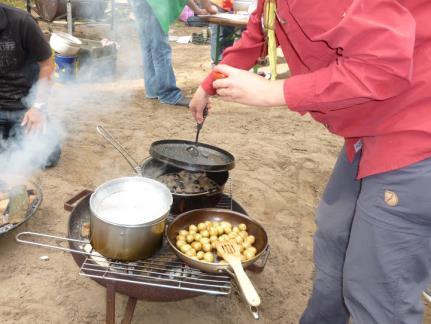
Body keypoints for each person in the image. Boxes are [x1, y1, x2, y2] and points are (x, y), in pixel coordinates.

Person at [190, 0, 431, 323]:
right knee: (335, 237)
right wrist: (209, 85)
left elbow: (383, 68)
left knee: (378, 289)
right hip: (370, 128)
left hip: (415, 132)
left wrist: (275, 92)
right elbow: (259, 30)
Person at [0, 3, 60, 168]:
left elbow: (47, 65)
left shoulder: (22, 21)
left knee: (47, 158)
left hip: (26, 106)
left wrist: (38, 107)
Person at [128, 0, 193, 107]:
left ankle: (152, 89)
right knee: (161, 49)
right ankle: (169, 94)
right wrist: (203, 9)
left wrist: (198, 9)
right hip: (155, 4)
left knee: (148, 46)